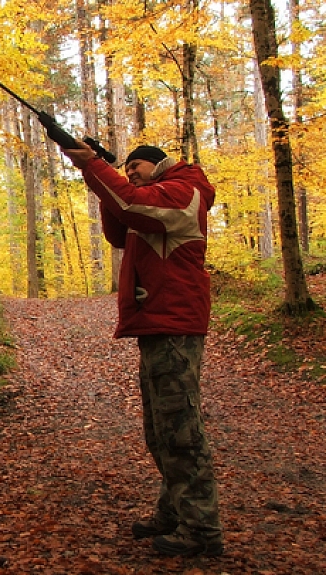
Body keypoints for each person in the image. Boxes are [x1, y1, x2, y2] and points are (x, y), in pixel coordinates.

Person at [62, 142, 223, 557]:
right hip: (157, 323)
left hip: (175, 323)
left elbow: (131, 206)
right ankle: (174, 512)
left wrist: (95, 165)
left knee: (181, 430)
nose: (131, 173)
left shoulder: (182, 192)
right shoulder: (153, 198)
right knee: (161, 430)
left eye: (137, 166)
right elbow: (119, 228)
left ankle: (201, 530)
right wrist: (94, 173)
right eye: (127, 168)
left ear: (160, 164)